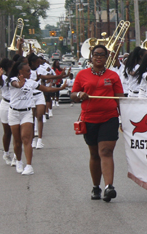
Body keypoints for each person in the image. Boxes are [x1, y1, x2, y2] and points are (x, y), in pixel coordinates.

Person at [71, 45, 124, 202]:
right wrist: (79, 95)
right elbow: (73, 95)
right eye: (95, 55)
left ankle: (109, 187)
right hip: (90, 119)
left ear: (107, 57)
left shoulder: (113, 76)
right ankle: (96, 187)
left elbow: (120, 98)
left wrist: (124, 119)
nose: (98, 57)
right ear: (91, 57)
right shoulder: (82, 75)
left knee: (106, 151)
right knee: (94, 154)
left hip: (109, 118)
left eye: (102, 55)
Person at [8, 61, 68, 175]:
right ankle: (19, 161)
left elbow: (46, 89)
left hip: (26, 113)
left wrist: (61, 88)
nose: (30, 73)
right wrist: (20, 84)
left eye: (30, 70)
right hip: (14, 113)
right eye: (27, 71)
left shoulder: (31, 83)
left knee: (26, 139)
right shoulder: (12, 80)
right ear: (20, 72)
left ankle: (29, 166)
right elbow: (16, 85)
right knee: (17, 141)